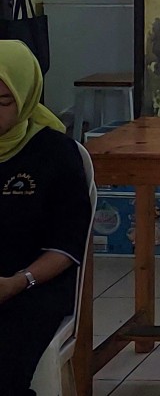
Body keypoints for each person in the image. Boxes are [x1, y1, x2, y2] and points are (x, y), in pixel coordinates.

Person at [0, 40, 92, 396]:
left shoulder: (55, 153)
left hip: (33, 285)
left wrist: (18, 282)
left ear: (25, 98)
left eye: (3, 102)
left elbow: (67, 244)